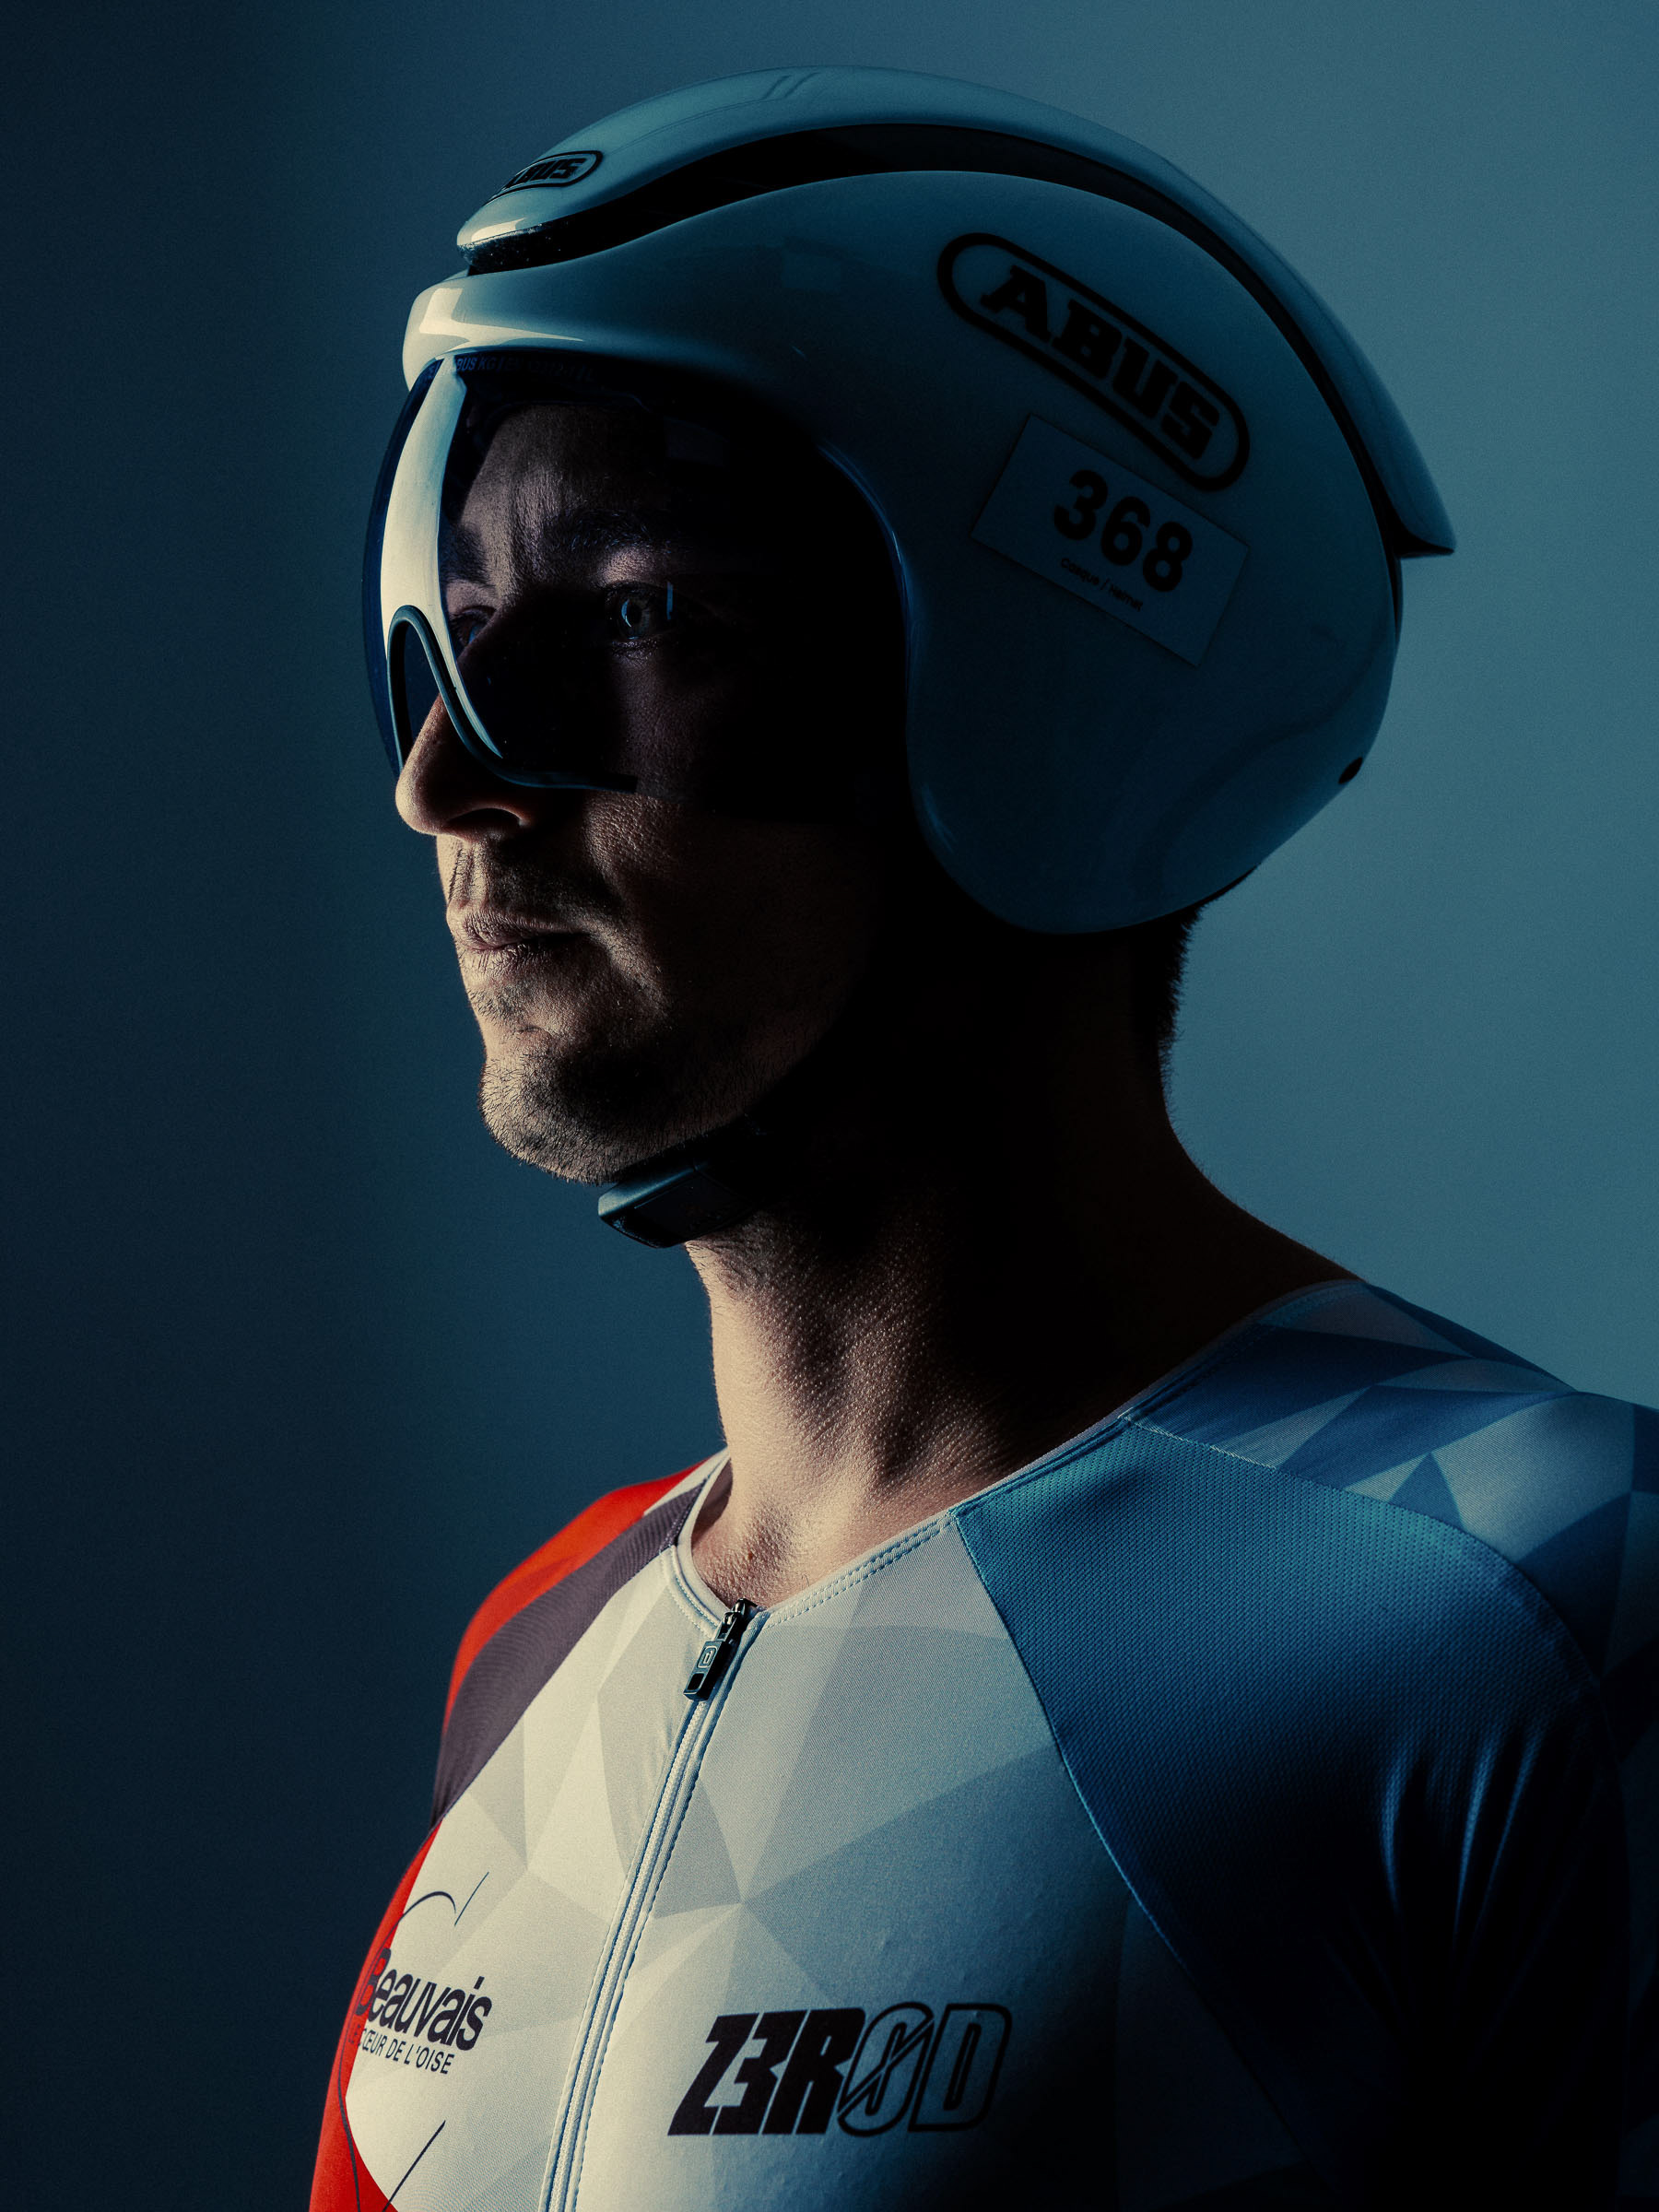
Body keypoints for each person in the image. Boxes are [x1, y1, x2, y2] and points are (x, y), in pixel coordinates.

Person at [312, 68, 1655, 2212]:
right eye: (447, 638)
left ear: (1046, 708)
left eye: (637, 621)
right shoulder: (540, 1642)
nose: (444, 787)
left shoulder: (1549, 1607)